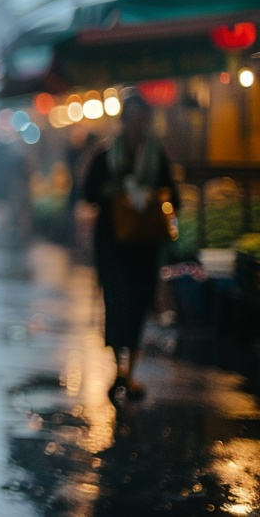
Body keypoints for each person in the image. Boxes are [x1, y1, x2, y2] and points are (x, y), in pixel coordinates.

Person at [82, 94, 178, 401]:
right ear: (123, 121)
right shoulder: (106, 155)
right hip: (112, 245)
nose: (136, 125)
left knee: (139, 304)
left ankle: (129, 373)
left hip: (145, 246)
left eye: (141, 119)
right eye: (132, 119)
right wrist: (117, 192)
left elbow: (173, 196)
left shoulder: (157, 157)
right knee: (117, 303)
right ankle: (118, 370)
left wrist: (148, 198)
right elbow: (88, 193)